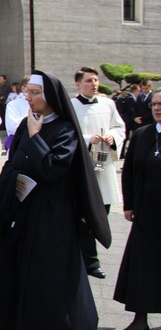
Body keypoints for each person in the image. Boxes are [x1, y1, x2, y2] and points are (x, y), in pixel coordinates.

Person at [0, 70, 111, 330]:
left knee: (51, 282)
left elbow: (54, 169)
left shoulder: (66, 129)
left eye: (34, 93)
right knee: (20, 278)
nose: (27, 98)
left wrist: (34, 137)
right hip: (24, 211)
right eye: (27, 92)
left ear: (50, 96)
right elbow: (13, 163)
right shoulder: (25, 124)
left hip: (54, 217)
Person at [112, 89, 161, 330]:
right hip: (146, 213)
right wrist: (128, 204)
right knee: (142, 268)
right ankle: (139, 322)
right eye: (154, 104)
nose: (157, 108)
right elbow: (128, 171)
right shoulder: (142, 134)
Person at [71, 66, 125, 279]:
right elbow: (66, 132)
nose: (94, 84)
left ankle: (90, 254)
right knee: (84, 214)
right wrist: (87, 140)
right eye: (89, 81)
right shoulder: (71, 105)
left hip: (104, 167)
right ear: (78, 84)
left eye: (95, 80)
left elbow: (120, 127)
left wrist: (113, 137)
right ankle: (90, 262)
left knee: (102, 212)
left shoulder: (108, 104)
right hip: (83, 167)